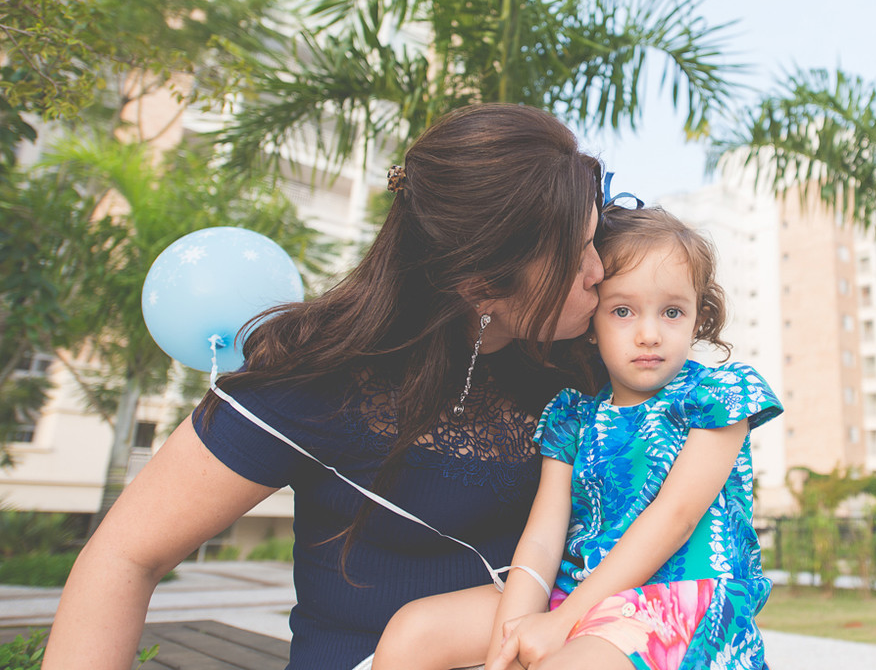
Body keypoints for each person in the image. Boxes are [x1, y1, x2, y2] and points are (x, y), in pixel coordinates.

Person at [43, 103, 607, 670]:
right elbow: (123, 556)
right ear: (481, 285)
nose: (599, 270)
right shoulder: (314, 379)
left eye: (595, 238)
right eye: (575, 254)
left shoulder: (586, 370)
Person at [373, 204, 782, 670]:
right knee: (415, 631)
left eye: (672, 312)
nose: (649, 334)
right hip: (576, 589)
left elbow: (676, 518)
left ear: (697, 317)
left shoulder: (717, 396)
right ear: (592, 322)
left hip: (677, 598)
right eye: (623, 310)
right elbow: (543, 539)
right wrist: (504, 649)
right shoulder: (573, 416)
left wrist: (563, 621)